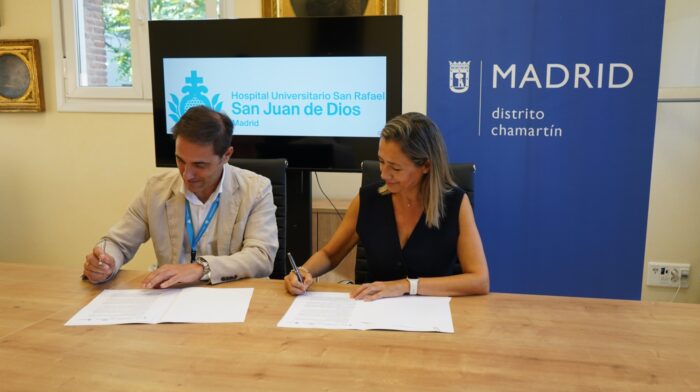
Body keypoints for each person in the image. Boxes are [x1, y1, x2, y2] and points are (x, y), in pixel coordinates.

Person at [284, 112, 489, 300]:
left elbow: (479, 280)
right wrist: (302, 272)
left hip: (434, 315)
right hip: (372, 312)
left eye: (395, 168)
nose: (383, 174)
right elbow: (330, 255)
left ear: (426, 166)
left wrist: (405, 286)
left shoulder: (455, 203)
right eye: (381, 161)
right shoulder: (367, 200)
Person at [82, 106, 278, 288]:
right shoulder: (155, 189)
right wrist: (105, 263)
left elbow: (261, 257)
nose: (186, 174)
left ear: (226, 155)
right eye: (180, 160)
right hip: (171, 296)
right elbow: (117, 243)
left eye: (199, 165)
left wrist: (201, 268)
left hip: (234, 296)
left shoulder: (256, 189)